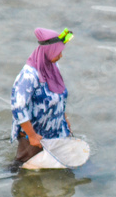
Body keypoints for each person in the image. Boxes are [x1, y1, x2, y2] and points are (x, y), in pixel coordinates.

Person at [8, 27, 74, 173]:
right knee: (24, 169)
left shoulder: (52, 66)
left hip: (55, 131)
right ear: (47, 52)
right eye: (58, 52)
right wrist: (32, 136)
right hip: (35, 135)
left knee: (57, 169)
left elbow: (59, 95)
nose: (61, 56)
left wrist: (64, 118)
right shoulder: (29, 75)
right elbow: (17, 107)